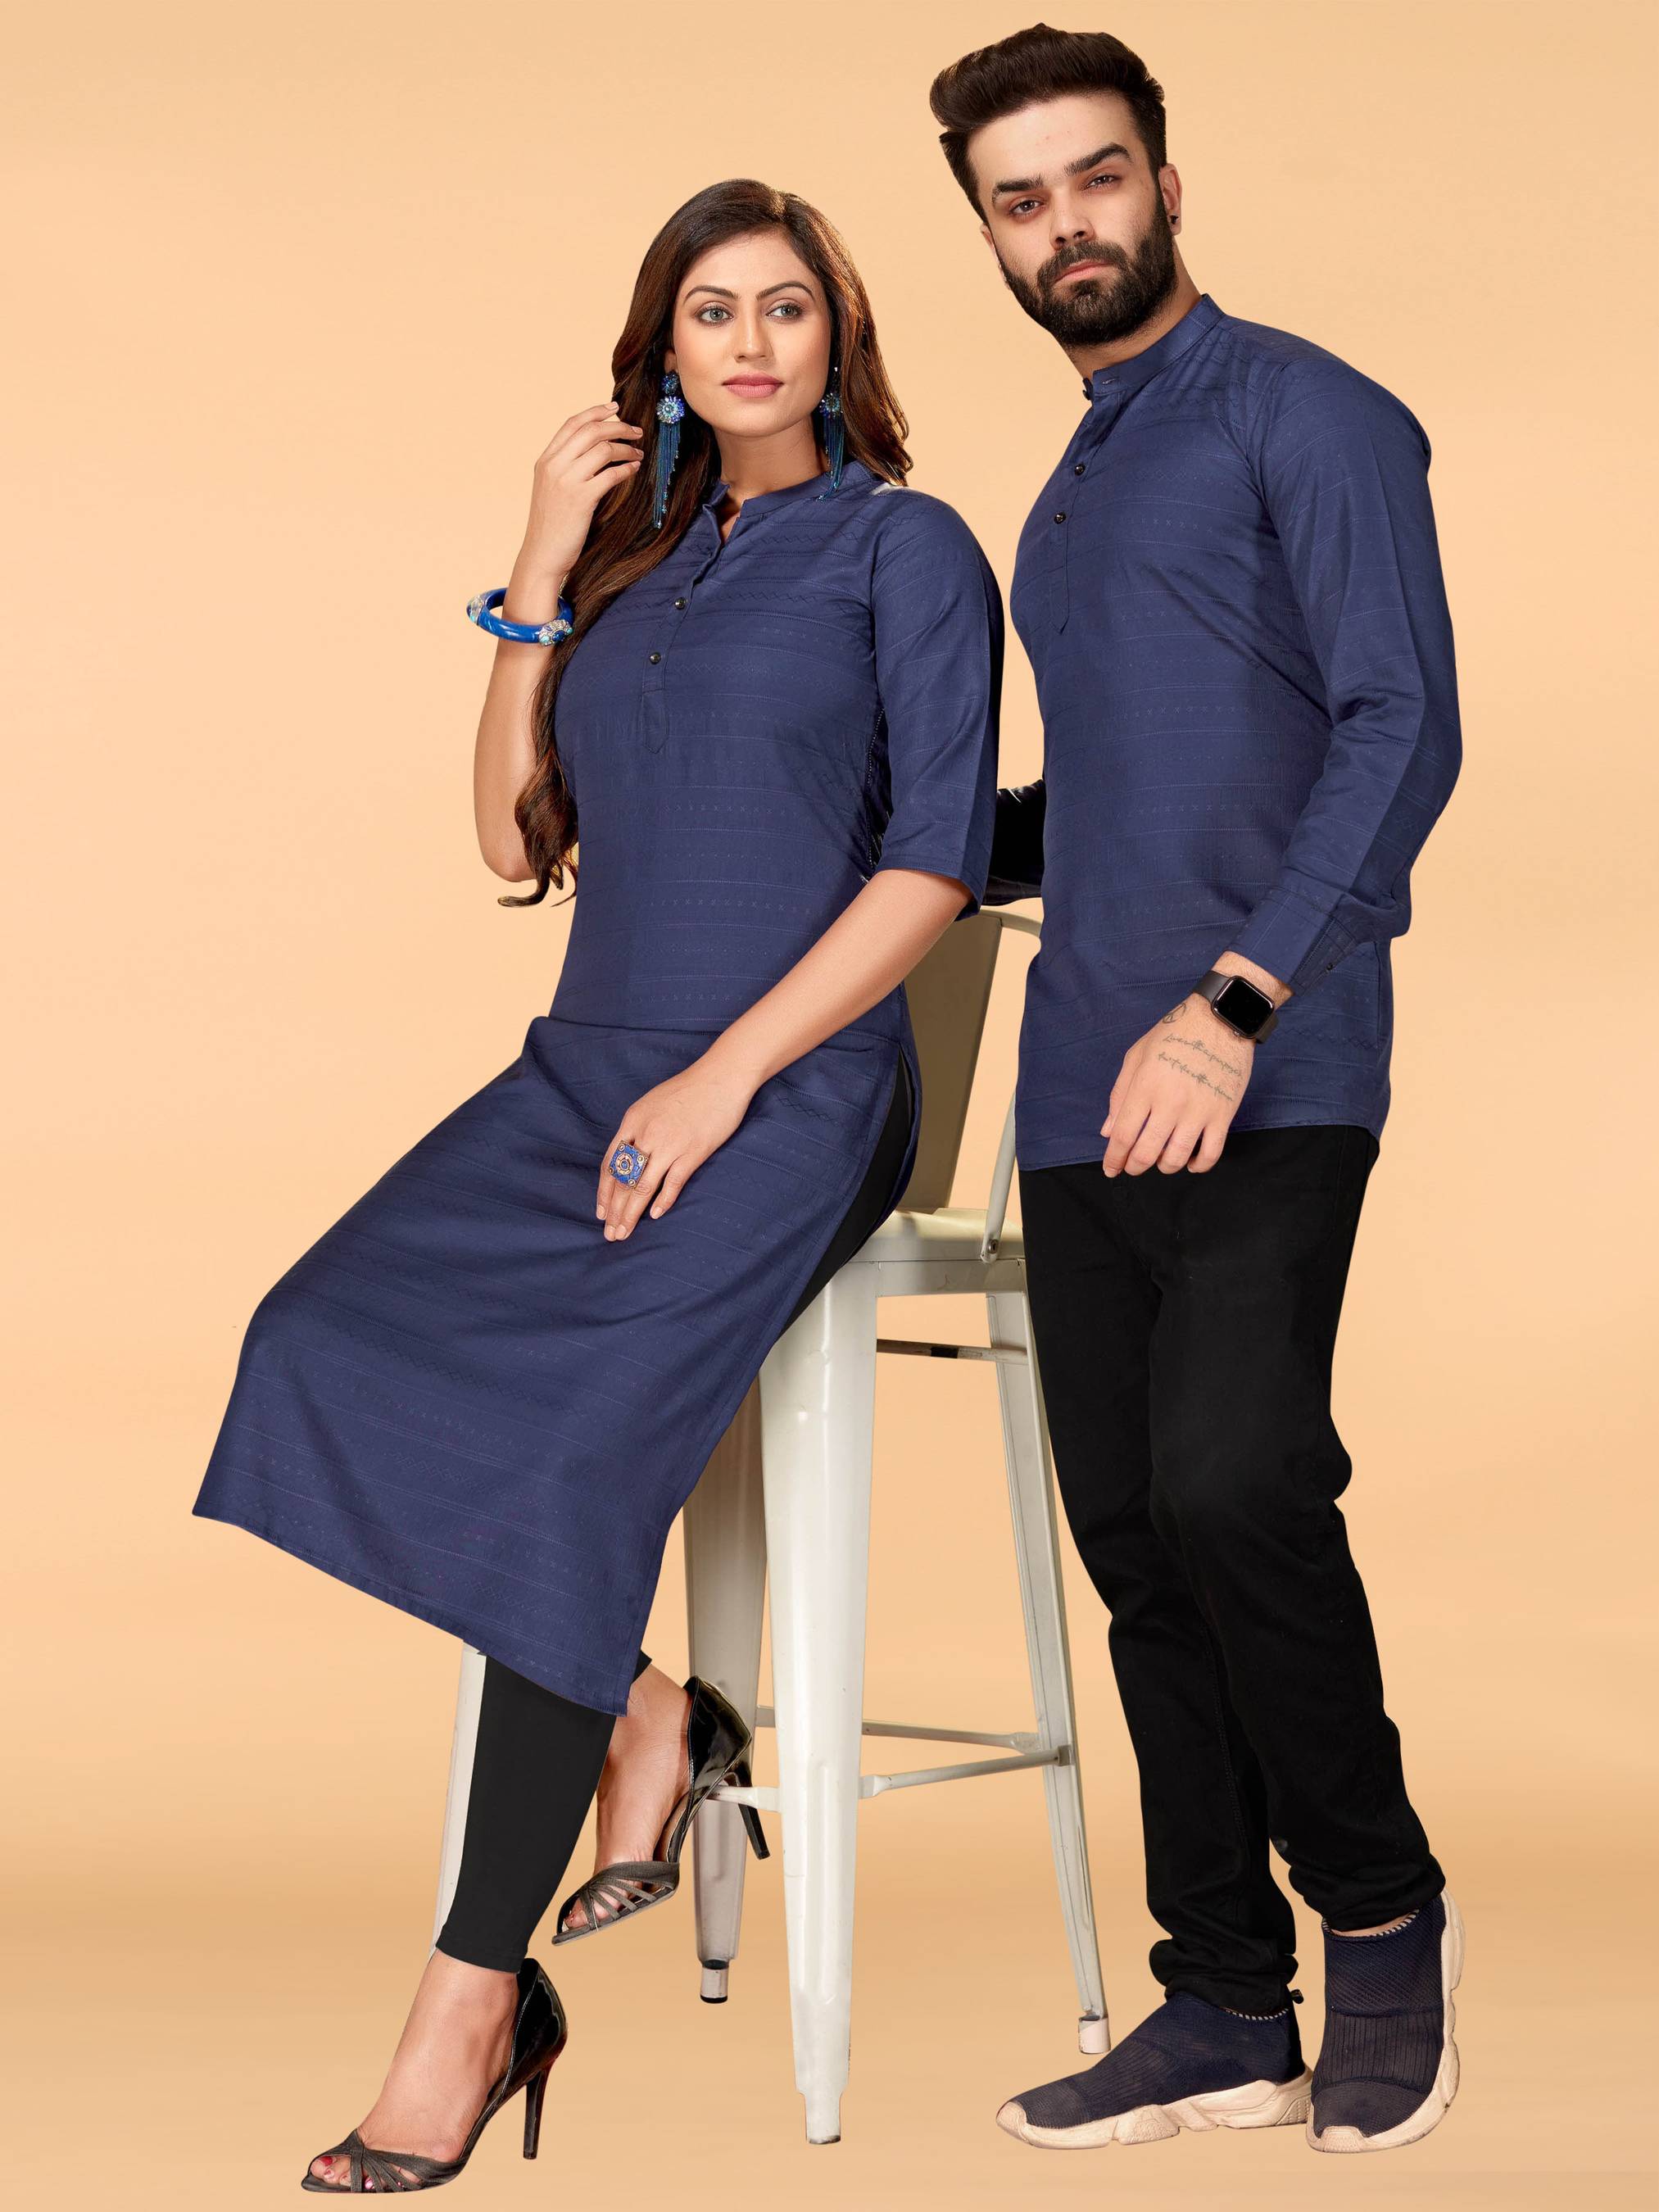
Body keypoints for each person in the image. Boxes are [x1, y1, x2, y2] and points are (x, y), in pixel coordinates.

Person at [193, 177, 1002, 2191]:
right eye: (709, 312)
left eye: (785, 308)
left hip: (796, 1085)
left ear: (837, 338)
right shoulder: (633, 574)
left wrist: (728, 1080)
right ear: (660, 355)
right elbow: (508, 836)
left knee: (560, 1459)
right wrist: (541, 567)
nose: (749, 342)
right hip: (585, 1068)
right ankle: (653, 1712)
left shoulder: (904, 548)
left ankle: (470, 2006)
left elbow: (932, 862)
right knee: (313, 1338)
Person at [927, 25, 1463, 2157]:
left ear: (1164, 180)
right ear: (990, 235)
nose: (1065, 223)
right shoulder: (1063, 495)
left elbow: (1397, 725)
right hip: (1076, 1088)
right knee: (1141, 1543)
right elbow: (1111, 799)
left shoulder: (1306, 413)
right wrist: (868, 854)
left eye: (1094, 176)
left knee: (1240, 1487)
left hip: (1264, 1060)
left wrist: (1232, 1001)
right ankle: (1225, 2000)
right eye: (1020, 199)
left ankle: (1381, 1915)